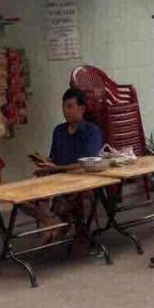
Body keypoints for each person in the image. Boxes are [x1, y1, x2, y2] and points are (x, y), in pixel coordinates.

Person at [28, 88, 103, 238]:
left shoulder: (92, 131)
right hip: (56, 178)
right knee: (24, 197)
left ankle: (61, 226)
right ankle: (51, 222)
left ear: (81, 109)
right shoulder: (59, 131)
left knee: (65, 202)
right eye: (64, 106)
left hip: (79, 182)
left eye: (70, 106)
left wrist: (56, 168)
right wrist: (45, 164)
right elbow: (54, 159)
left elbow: (85, 165)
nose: (65, 111)